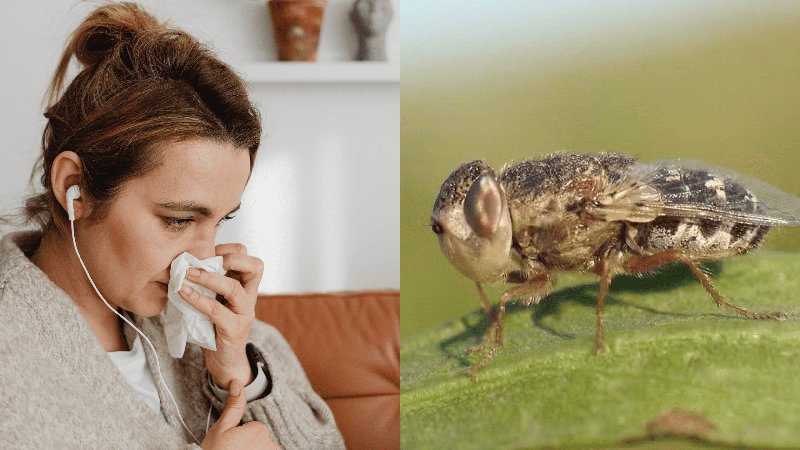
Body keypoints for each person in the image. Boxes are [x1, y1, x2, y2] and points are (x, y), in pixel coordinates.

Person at [0, 2, 345, 449]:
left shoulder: (228, 333)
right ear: (75, 188)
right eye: (179, 219)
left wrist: (239, 374)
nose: (203, 256)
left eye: (221, 221)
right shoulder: (13, 356)